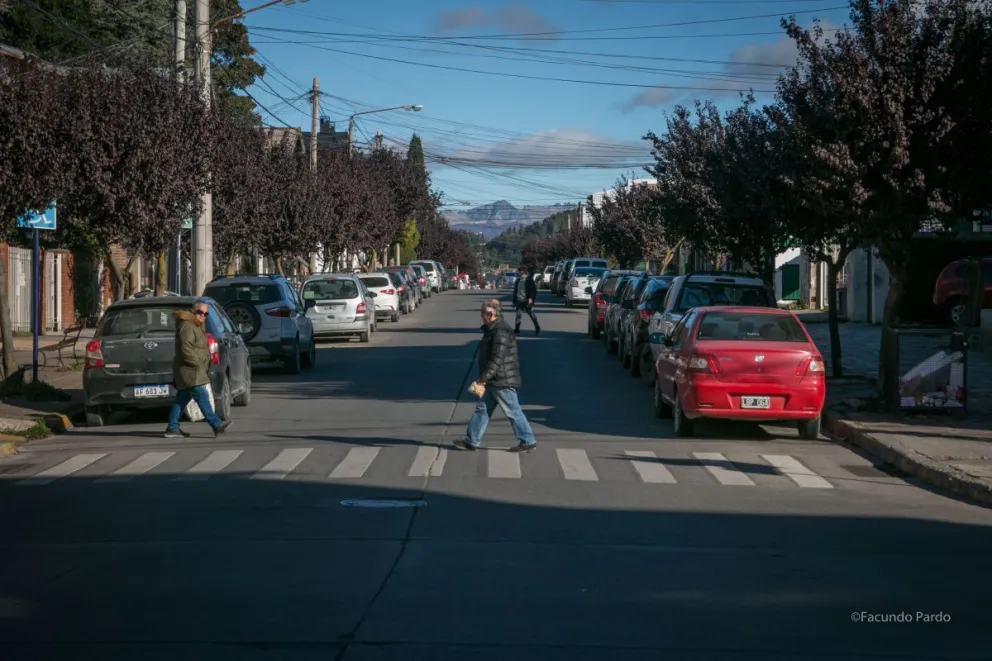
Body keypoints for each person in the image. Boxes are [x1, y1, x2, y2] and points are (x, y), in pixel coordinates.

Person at [454, 299, 537, 453]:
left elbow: (497, 359)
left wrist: (483, 378)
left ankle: (528, 440)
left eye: (482, 313)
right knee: (482, 410)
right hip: (495, 379)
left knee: (513, 410)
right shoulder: (493, 329)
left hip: (501, 379)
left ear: (490, 314)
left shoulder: (501, 331)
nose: (481, 316)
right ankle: (472, 440)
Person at [164, 300, 232, 438]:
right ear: (193, 311)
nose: (202, 316)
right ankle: (216, 425)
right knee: (202, 397)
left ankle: (172, 428)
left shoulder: (198, 325)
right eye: (200, 312)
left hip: (193, 369)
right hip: (190, 370)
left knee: (181, 400)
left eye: (205, 314)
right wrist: (195, 363)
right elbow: (185, 348)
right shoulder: (188, 325)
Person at [511, 265, 540, 336]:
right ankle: (517, 330)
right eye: (519, 273)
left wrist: (531, 298)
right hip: (519, 300)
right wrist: (514, 301)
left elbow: (533, 291)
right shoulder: (518, 281)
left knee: (531, 314)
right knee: (518, 315)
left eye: (521, 273)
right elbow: (515, 292)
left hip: (527, 301)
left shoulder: (529, 280)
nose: (520, 274)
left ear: (524, 273)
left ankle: (537, 326)